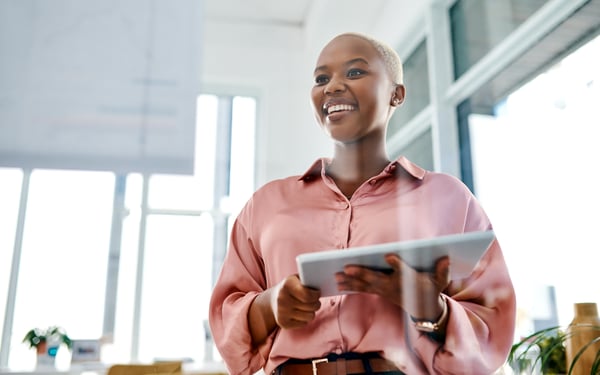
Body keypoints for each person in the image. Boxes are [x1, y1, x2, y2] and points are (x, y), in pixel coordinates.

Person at [209, 32, 516, 375]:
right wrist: (267, 307)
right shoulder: (265, 204)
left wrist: (433, 309)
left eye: (354, 73)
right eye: (321, 78)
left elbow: (494, 331)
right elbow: (225, 322)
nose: (332, 87)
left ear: (396, 94)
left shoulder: (449, 198)